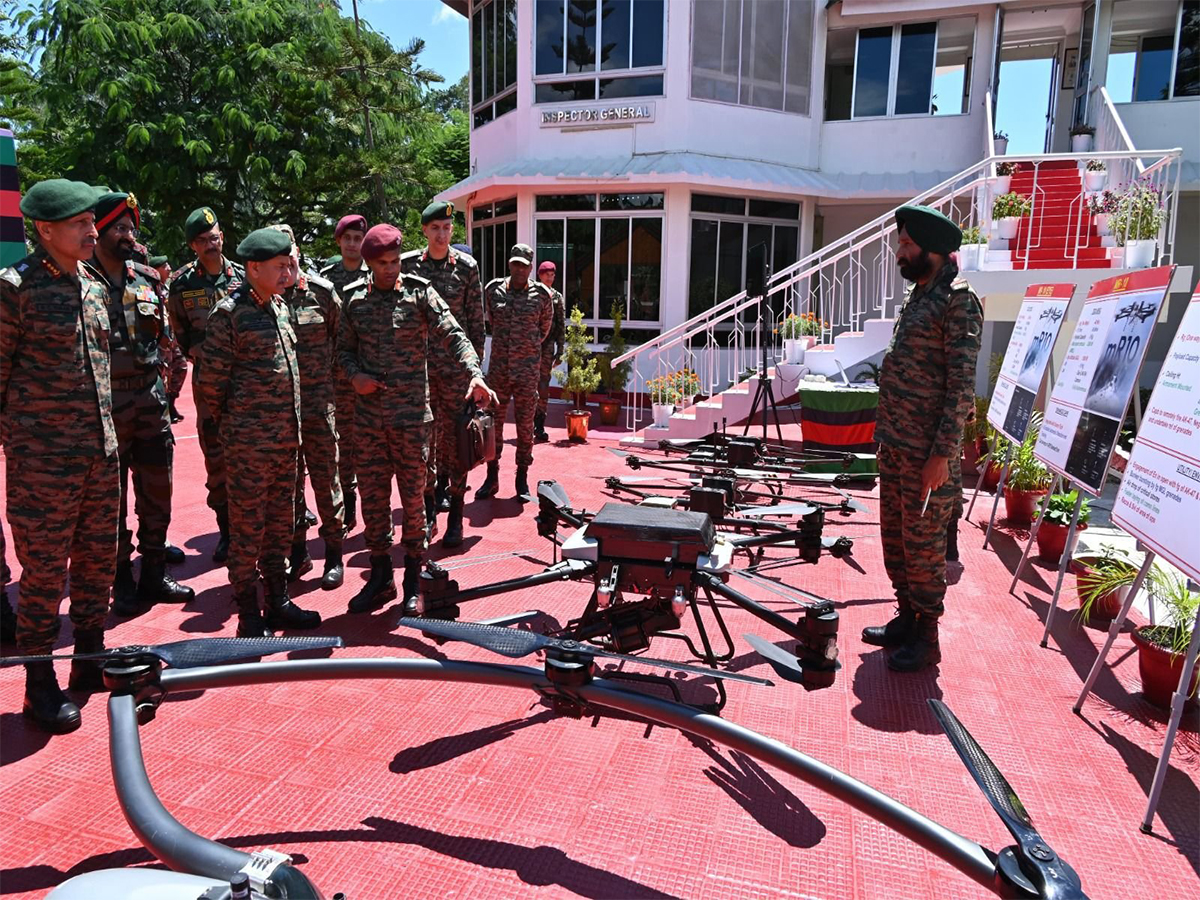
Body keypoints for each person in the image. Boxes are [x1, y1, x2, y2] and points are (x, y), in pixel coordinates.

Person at [1, 179, 118, 733]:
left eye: (91, 221)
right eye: (79, 223)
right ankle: (38, 681)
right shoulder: (13, 289)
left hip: (100, 455)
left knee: (97, 562)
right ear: (45, 230)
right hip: (43, 466)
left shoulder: (93, 285)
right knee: (45, 574)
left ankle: (89, 659)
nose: (92, 230)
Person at [336, 224, 495, 615]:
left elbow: (454, 334)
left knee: (413, 502)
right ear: (370, 264)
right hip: (370, 421)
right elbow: (341, 351)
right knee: (374, 502)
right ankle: (380, 577)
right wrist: (354, 376)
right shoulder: (354, 300)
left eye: (394, 261)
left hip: (411, 419)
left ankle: (411, 578)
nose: (391, 269)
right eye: (383, 264)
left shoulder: (420, 292)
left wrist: (474, 371)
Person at [863, 205, 983, 673]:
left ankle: (926, 635)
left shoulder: (957, 299)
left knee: (926, 547)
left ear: (934, 249)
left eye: (908, 244)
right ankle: (906, 617)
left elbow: (959, 386)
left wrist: (942, 455)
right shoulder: (920, 293)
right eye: (902, 243)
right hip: (896, 447)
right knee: (896, 540)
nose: (900, 250)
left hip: (927, 456)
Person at [197, 227, 321, 637]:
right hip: (249, 448)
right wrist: (240, 430)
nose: (288, 272)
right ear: (253, 268)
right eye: (279, 266)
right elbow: (209, 386)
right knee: (247, 530)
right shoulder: (229, 315)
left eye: (289, 264)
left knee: (280, 526)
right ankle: (249, 612)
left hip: (287, 444)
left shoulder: (279, 307)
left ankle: (279, 600)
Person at [88, 192, 194, 616]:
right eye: (119, 228)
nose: (128, 235)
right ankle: (121, 578)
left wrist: (168, 394)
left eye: (131, 228)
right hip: (107, 406)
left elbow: (166, 340)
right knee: (111, 501)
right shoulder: (83, 279)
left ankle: (153, 571)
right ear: (99, 231)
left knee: (157, 492)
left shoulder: (146, 278)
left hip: (150, 401)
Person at [401, 201, 485, 547]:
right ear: (424, 230)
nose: (441, 234)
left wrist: (475, 373)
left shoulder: (466, 268)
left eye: (447, 228)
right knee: (424, 448)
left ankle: (455, 518)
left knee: (457, 446)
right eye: (435, 228)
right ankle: (430, 509)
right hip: (418, 375)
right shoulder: (407, 267)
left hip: (454, 376)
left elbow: (476, 326)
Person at [166, 207, 244, 563]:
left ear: (222, 237)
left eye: (214, 238)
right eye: (202, 241)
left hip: (246, 382)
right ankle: (226, 531)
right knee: (216, 456)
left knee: (253, 453)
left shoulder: (245, 276)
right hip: (207, 385)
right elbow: (179, 332)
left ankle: (258, 530)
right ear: (192, 245)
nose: (210, 245)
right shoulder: (181, 284)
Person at [274, 224, 345, 589]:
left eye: (290, 255)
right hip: (282, 411)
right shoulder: (267, 296)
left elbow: (343, 341)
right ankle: (298, 551)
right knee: (290, 485)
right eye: (278, 257)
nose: (285, 264)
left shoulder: (322, 292)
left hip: (318, 404)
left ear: (297, 253)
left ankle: (334, 553)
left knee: (325, 479)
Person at [476, 244, 553, 501]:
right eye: (515, 264)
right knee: (492, 425)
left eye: (524, 265)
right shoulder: (493, 290)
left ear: (531, 267)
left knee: (524, 425)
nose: (519, 269)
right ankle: (492, 475)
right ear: (509, 265)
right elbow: (492, 322)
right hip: (498, 371)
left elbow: (543, 330)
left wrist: (525, 351)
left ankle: (522, 476)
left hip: (526, 371)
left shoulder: (542, 296)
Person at [321, 214, 368, 534]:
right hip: (335, 376)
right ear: (339, 241)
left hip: (367, 372)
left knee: (369, 442)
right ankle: (347, 499)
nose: (353, 244)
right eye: (348, 238)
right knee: (339, 442)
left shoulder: (375, 273)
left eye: (358, 238)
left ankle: (372, 503)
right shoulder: (326, 279)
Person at [150, 254, 187, 423]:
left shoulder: (167, 289)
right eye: (165, 266)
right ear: (156, 269)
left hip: (173, 339)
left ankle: (171, 403)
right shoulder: (150, 288)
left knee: (181, 368)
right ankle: (164, 410)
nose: (169, 269)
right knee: (164, 376)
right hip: (161, 342)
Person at [533, 260, 566, 443]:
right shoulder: (531, 293)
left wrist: (560, 351)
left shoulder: (557, 297)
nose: (550, 277)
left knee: (543, 385)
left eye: (553, 274)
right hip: (530, 347)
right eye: (547, 274)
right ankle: (527, 422)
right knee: (529, 384)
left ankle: (539, 424)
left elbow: (561, 325)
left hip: (547, 347)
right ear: (539, 275)